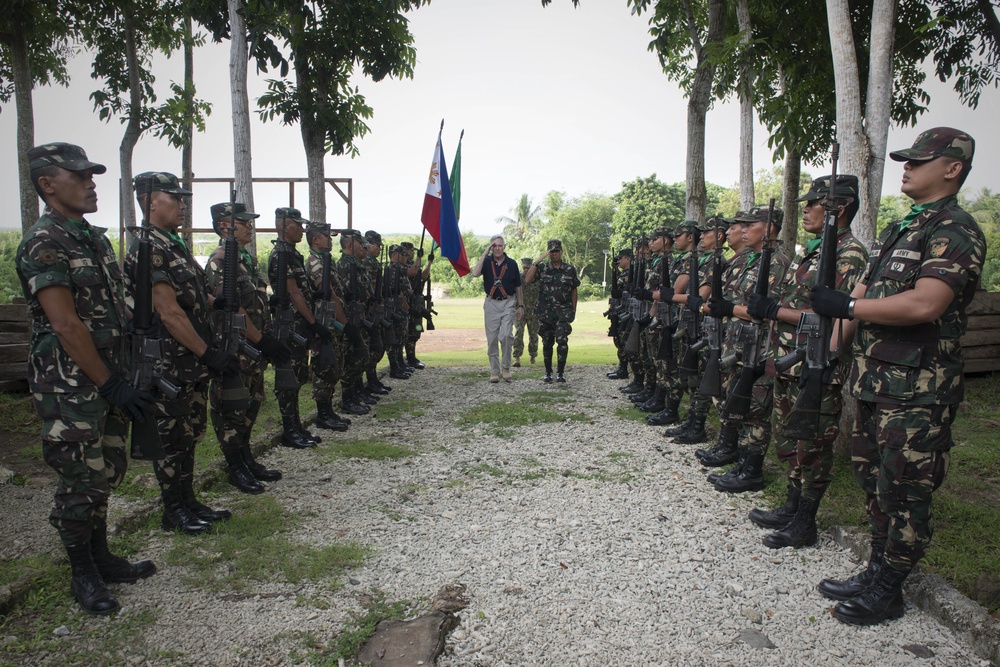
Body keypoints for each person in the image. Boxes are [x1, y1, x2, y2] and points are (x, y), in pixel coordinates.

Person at [810, 127, 985, 625]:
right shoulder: (900, 229)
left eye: (918, 160)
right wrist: (825, 353)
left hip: (917, 392)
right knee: (873, 481)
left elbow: (926, 303)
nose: (905, 167)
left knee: (905, 489)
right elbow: (863, 300)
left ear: (952, 169)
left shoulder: (954, 229)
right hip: (874, 383)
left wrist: (846, 303)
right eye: (905, 160)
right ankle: (876, 569)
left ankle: (889, 588)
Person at [16, 142, 156, 615]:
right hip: (70, 385)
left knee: (107, 471)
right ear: (47, 184)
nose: (91, 182)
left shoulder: (92, 238)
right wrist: (109, 382)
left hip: (106, 375)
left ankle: (102, 556)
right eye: (79, 176)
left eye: (92, 175)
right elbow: (65, 324)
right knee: (80, 479)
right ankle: (83, 574)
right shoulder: (45, 241)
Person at [743, 177, 868, 549]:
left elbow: (834, 317)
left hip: (815, 364)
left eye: (814, 203)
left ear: (838, 209)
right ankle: (792, 505)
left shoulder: (849, 256)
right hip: (789, 359)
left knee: (812, 445)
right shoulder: (811, 252)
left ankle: (805, 521)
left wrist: (776, 311)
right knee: (793, 441)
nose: (807, 209)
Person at [124, 172, 240, 534]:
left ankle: (188, 501)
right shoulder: (148, 247)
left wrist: (213, 300)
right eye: (175, 197)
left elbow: (188, 294)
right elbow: (169, 311)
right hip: (169, 361)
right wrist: (208, 353)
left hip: (186, 362)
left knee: (188, 433)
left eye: (183, 198)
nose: (183, 204)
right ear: (150, 200)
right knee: (172, 437)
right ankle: (172, 509)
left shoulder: (172, 244)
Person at [205, 203, 292, 494]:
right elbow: (233, 308)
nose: (249, 226)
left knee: (251, 404)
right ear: (224, 227)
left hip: (252, 348)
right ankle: (234, 467)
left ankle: (246, 458)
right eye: (242, 222)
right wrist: (260, 339)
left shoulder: (245, 260)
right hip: (236, 347)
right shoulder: (220, 261)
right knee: (232, 409)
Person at [267, 207, 330, 449]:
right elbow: (292, 293)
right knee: (287, 380)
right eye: (298, 224)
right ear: (284, 225)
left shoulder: (292, 254)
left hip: (299, 325)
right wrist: (313, 322)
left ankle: (295, 426)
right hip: (290, 325)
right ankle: (289, 429)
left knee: (297, 377)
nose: (302, 229)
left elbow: (301, 290)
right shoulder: (281, 254)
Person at [305, 222, 351, 432]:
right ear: (315, 239)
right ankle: (323, 413)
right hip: (326, 323)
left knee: (334, 368)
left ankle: (329, 410)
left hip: (333, 323)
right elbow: (329, 294)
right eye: (326, 236)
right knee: (324, 369)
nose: (330, 240)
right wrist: (344, 322)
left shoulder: (325, 261)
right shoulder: (315, 263)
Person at [525, 239, 580, 382]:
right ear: (548, 253)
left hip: (563, 312)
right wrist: (537, 261)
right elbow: (528, 280)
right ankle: (548, 372)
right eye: (551, 252)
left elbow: (574, 290)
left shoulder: (569, 269)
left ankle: (560, 372)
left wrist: (573, 310)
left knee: (562, 341)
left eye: (557, 251)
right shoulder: (542, 268)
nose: (554, 254)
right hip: (546, 313)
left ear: (561, 252)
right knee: (547, 342)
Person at [471, 234, 523, 382]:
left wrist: (521, 305)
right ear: (491, 247)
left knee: (506, 335)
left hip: (508, 302)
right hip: (491, 303)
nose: (497, 248)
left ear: (504, 247)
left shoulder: (511, 263)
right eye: (494, 246)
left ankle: (506, 368)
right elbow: (475, 273)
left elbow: (518, 286)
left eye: (500, 245)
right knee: (492, 338)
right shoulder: (487, 262)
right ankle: (494, 371)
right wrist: (484, 253)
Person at [337, 229, 373, 412]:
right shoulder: (343, 265)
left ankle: (355, 394)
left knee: (360, 357)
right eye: (360, 243)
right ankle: (347, 399)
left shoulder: (357, 265)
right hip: (349, 318)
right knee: (351, 359)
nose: (364, 246)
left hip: (359, 316)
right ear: (350, 244)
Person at [513, 257, 540, 368]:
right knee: (519, 332)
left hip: (533, 311)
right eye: (524, 268)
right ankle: (517, 358)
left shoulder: (537, 279)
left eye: (528, 268)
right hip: (520, 310)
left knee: (533, 334)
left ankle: (533, 357)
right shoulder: (518, 278)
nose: (526, 270)